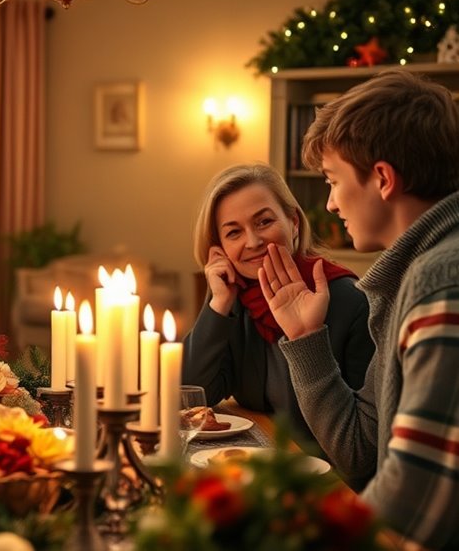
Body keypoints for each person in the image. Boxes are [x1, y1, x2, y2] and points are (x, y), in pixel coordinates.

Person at [262, 69, 459, 548]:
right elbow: (363, 454)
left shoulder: (442, 280)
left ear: (383, 179)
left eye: (332, 181)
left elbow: (412, 506)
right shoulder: (415, 275)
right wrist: (308, 343)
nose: (329, 204)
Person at [182, 163, 374, 468]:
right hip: (261, 469)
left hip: (329, 480)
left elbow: (364, 445)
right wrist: (218, 305)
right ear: (219, 248)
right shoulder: (236, 299)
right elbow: (192, 396)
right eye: (234, 232)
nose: (253, 241)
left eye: (264, 221)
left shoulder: (350, 300)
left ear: (293, 223)